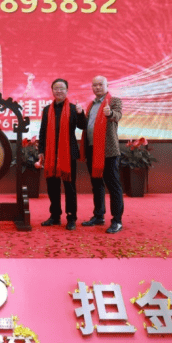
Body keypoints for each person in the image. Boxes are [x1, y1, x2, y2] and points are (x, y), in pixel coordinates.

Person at [38, 78, 86, 230]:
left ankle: (71, 218)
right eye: (56, 88)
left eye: (62, 88)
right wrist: (41, 151)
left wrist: (81, 113)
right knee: (52, 187)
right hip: (51, 153)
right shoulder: (47, 110)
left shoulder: (73, 109)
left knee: (69, 187)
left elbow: (82, 126)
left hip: (68, 154)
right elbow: (43, 132)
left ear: (67, 91)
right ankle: (55, 216)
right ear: (52, 91)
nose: (59, 91)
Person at [79, 76, 125, 234]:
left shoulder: (114, 101)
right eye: (95, 85)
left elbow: (118, 115)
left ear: (107, 85)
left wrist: (110, 113)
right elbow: (86, 125)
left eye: (100, 84)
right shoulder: (91, 104)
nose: (97, 87)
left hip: (108, 151)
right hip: (92, 149)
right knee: (97, 184)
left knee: (113, 186)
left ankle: (117, 221)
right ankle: (99, 216)